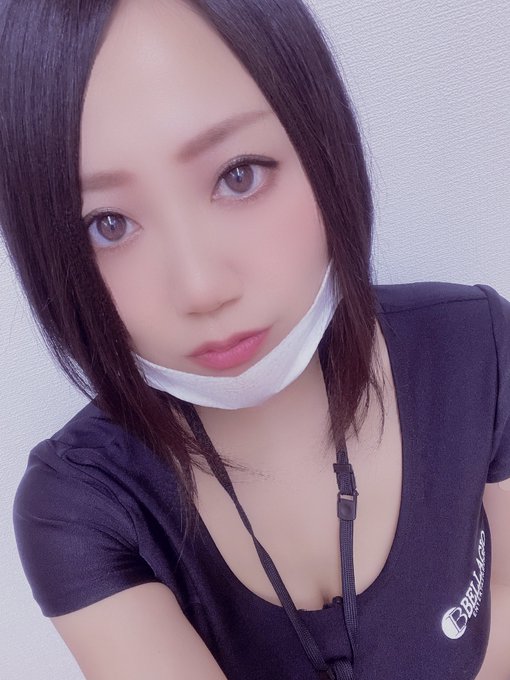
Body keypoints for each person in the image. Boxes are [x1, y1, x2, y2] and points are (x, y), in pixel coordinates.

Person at [1, 1, 509, 678]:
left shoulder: (475, 350)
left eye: (237, 174)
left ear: (320, 140)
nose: (201, 288)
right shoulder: (82, 506)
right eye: (109, 224)